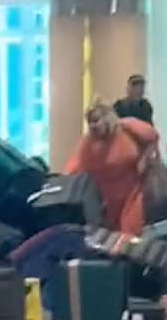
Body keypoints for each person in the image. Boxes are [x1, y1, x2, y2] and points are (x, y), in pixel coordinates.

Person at [64, 98, 158, 235]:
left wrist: (145, 159)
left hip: (131, 196)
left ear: (107, 118)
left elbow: (152, 136)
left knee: (130, 236)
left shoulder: (128, 128)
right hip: (104, 203)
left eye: (96, 120)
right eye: (89, 122)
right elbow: (73, 169)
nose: (92, 126)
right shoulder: (87, 144)